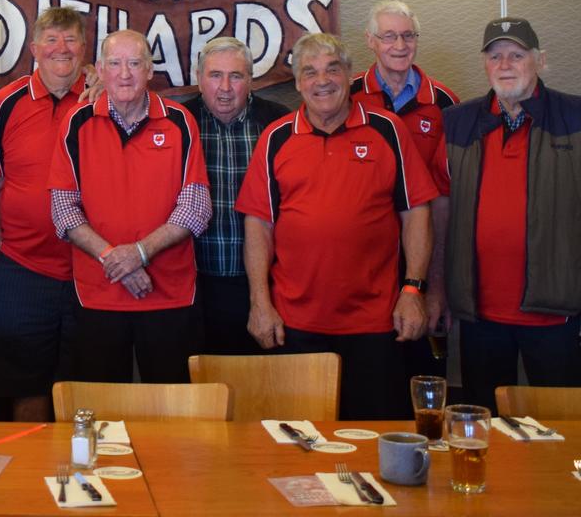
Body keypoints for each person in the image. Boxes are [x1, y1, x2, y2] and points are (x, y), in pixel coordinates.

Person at [236, 32, 437, 420]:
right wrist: (260, 303)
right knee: (301, 443)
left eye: (332, 69)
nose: (321, 80)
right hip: (295, 323)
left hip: (376, 322)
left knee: (373, 440)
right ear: (297, 83)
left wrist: (413, 289)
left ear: (348, 74)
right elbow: (258, 225)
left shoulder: (387, 130)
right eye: (309, 72)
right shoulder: (276, 138)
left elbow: (416, 213)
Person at [434, 17, 581, 412]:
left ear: (541, 60)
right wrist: (438, 289)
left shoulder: (575, 117)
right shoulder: (457, 123)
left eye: (517, 55)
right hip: (480, 315)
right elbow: (440, 210)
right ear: (484, 64)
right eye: (495, 55)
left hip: (557, 315)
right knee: (483, 426)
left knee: (563, 430)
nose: (505, 64)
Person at [48, 29, 211, 382]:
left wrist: (140, 253)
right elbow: (63, 210)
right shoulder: (76, 123)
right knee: (100, 413)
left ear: (150, 70)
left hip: (169, 294)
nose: (125, 74)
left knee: (175, 414)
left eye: (135, 63)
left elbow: (195, 206)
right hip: (98, 295)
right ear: (100, 70)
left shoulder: (180, 121)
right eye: (116, 64)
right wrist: (115, 259)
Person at [0, 6, 87, 421]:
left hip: (88, 271)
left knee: (80, 391)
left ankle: (80, 476)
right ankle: (30, 481)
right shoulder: (6, 103)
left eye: (71, 40)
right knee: (24, 390)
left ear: (84, 49)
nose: (61, 49)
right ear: (34, 49)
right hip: (21, 268)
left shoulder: (103, 98)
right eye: (51, 39)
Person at [351, 1, 459, 367]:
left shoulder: (446, 104)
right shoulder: (345, 96)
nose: (400, 45)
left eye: (408, 35)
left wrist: (436, 286)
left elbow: (446, 200)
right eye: (389, 36)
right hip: (363, 267)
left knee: (420, 373)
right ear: (370, 40)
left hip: (423, 263)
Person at [182, 37, 289, 355]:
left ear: (251, 80)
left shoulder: (278, 123)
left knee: (263, 386)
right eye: (215, 75)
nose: (225, 87)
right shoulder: (179, 123)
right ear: (199, 79)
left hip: (264, 283)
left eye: (236, 76)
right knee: (201, 387)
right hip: (195, 284)